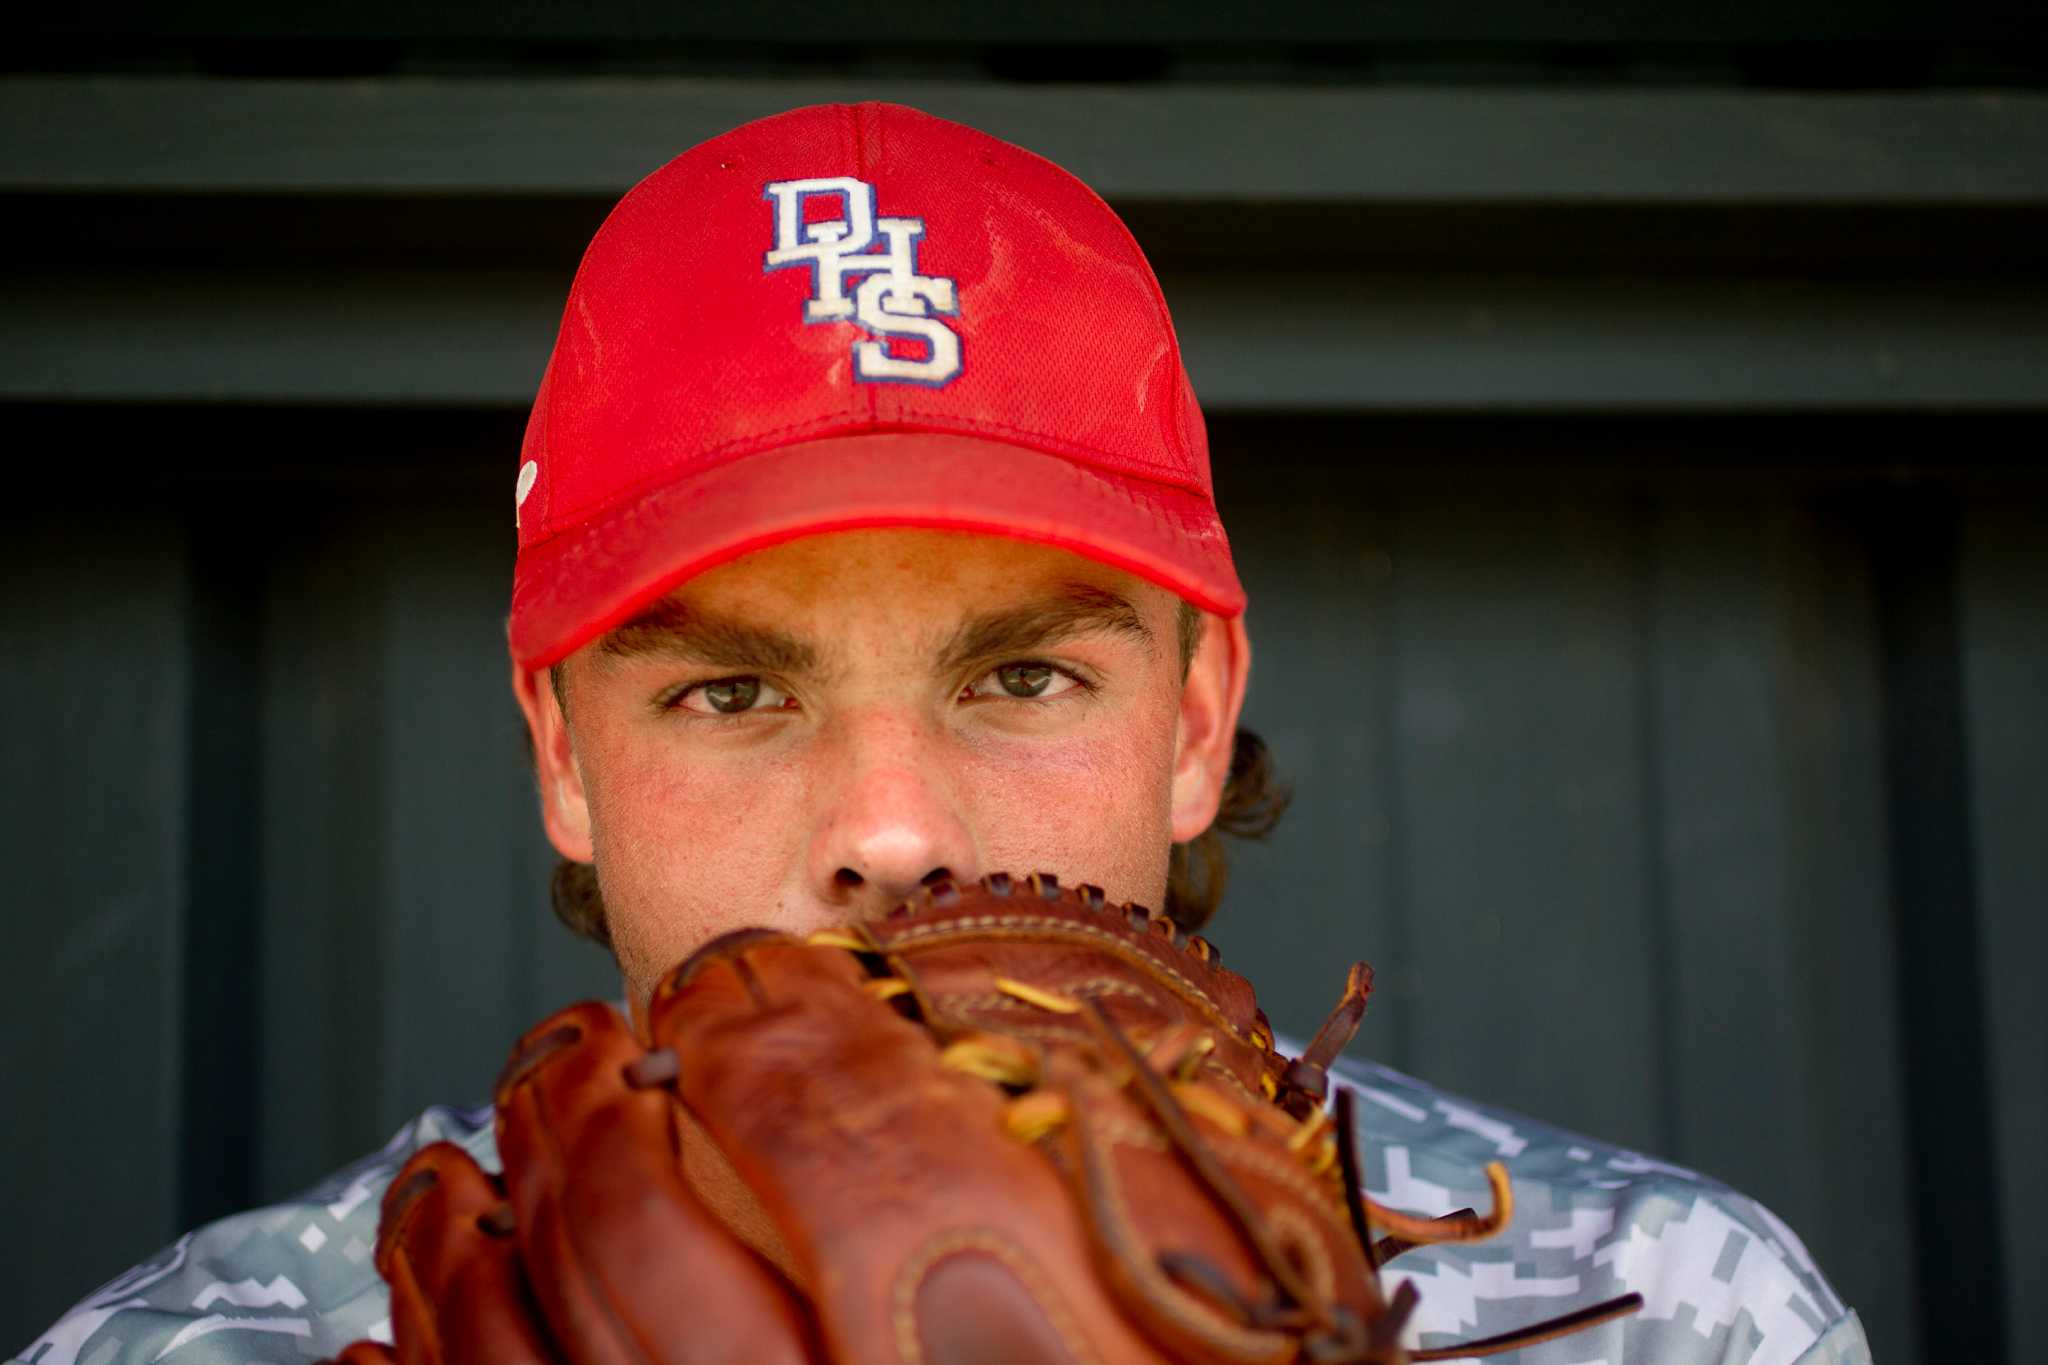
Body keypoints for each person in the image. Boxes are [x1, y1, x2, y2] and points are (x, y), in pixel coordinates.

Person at [15, 103, 1871, 1365]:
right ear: (564, 757)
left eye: (1020, 677)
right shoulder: (224, 1342)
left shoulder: (1671, 1315)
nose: (891, 830)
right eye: (732, 691)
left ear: (1193, 720)